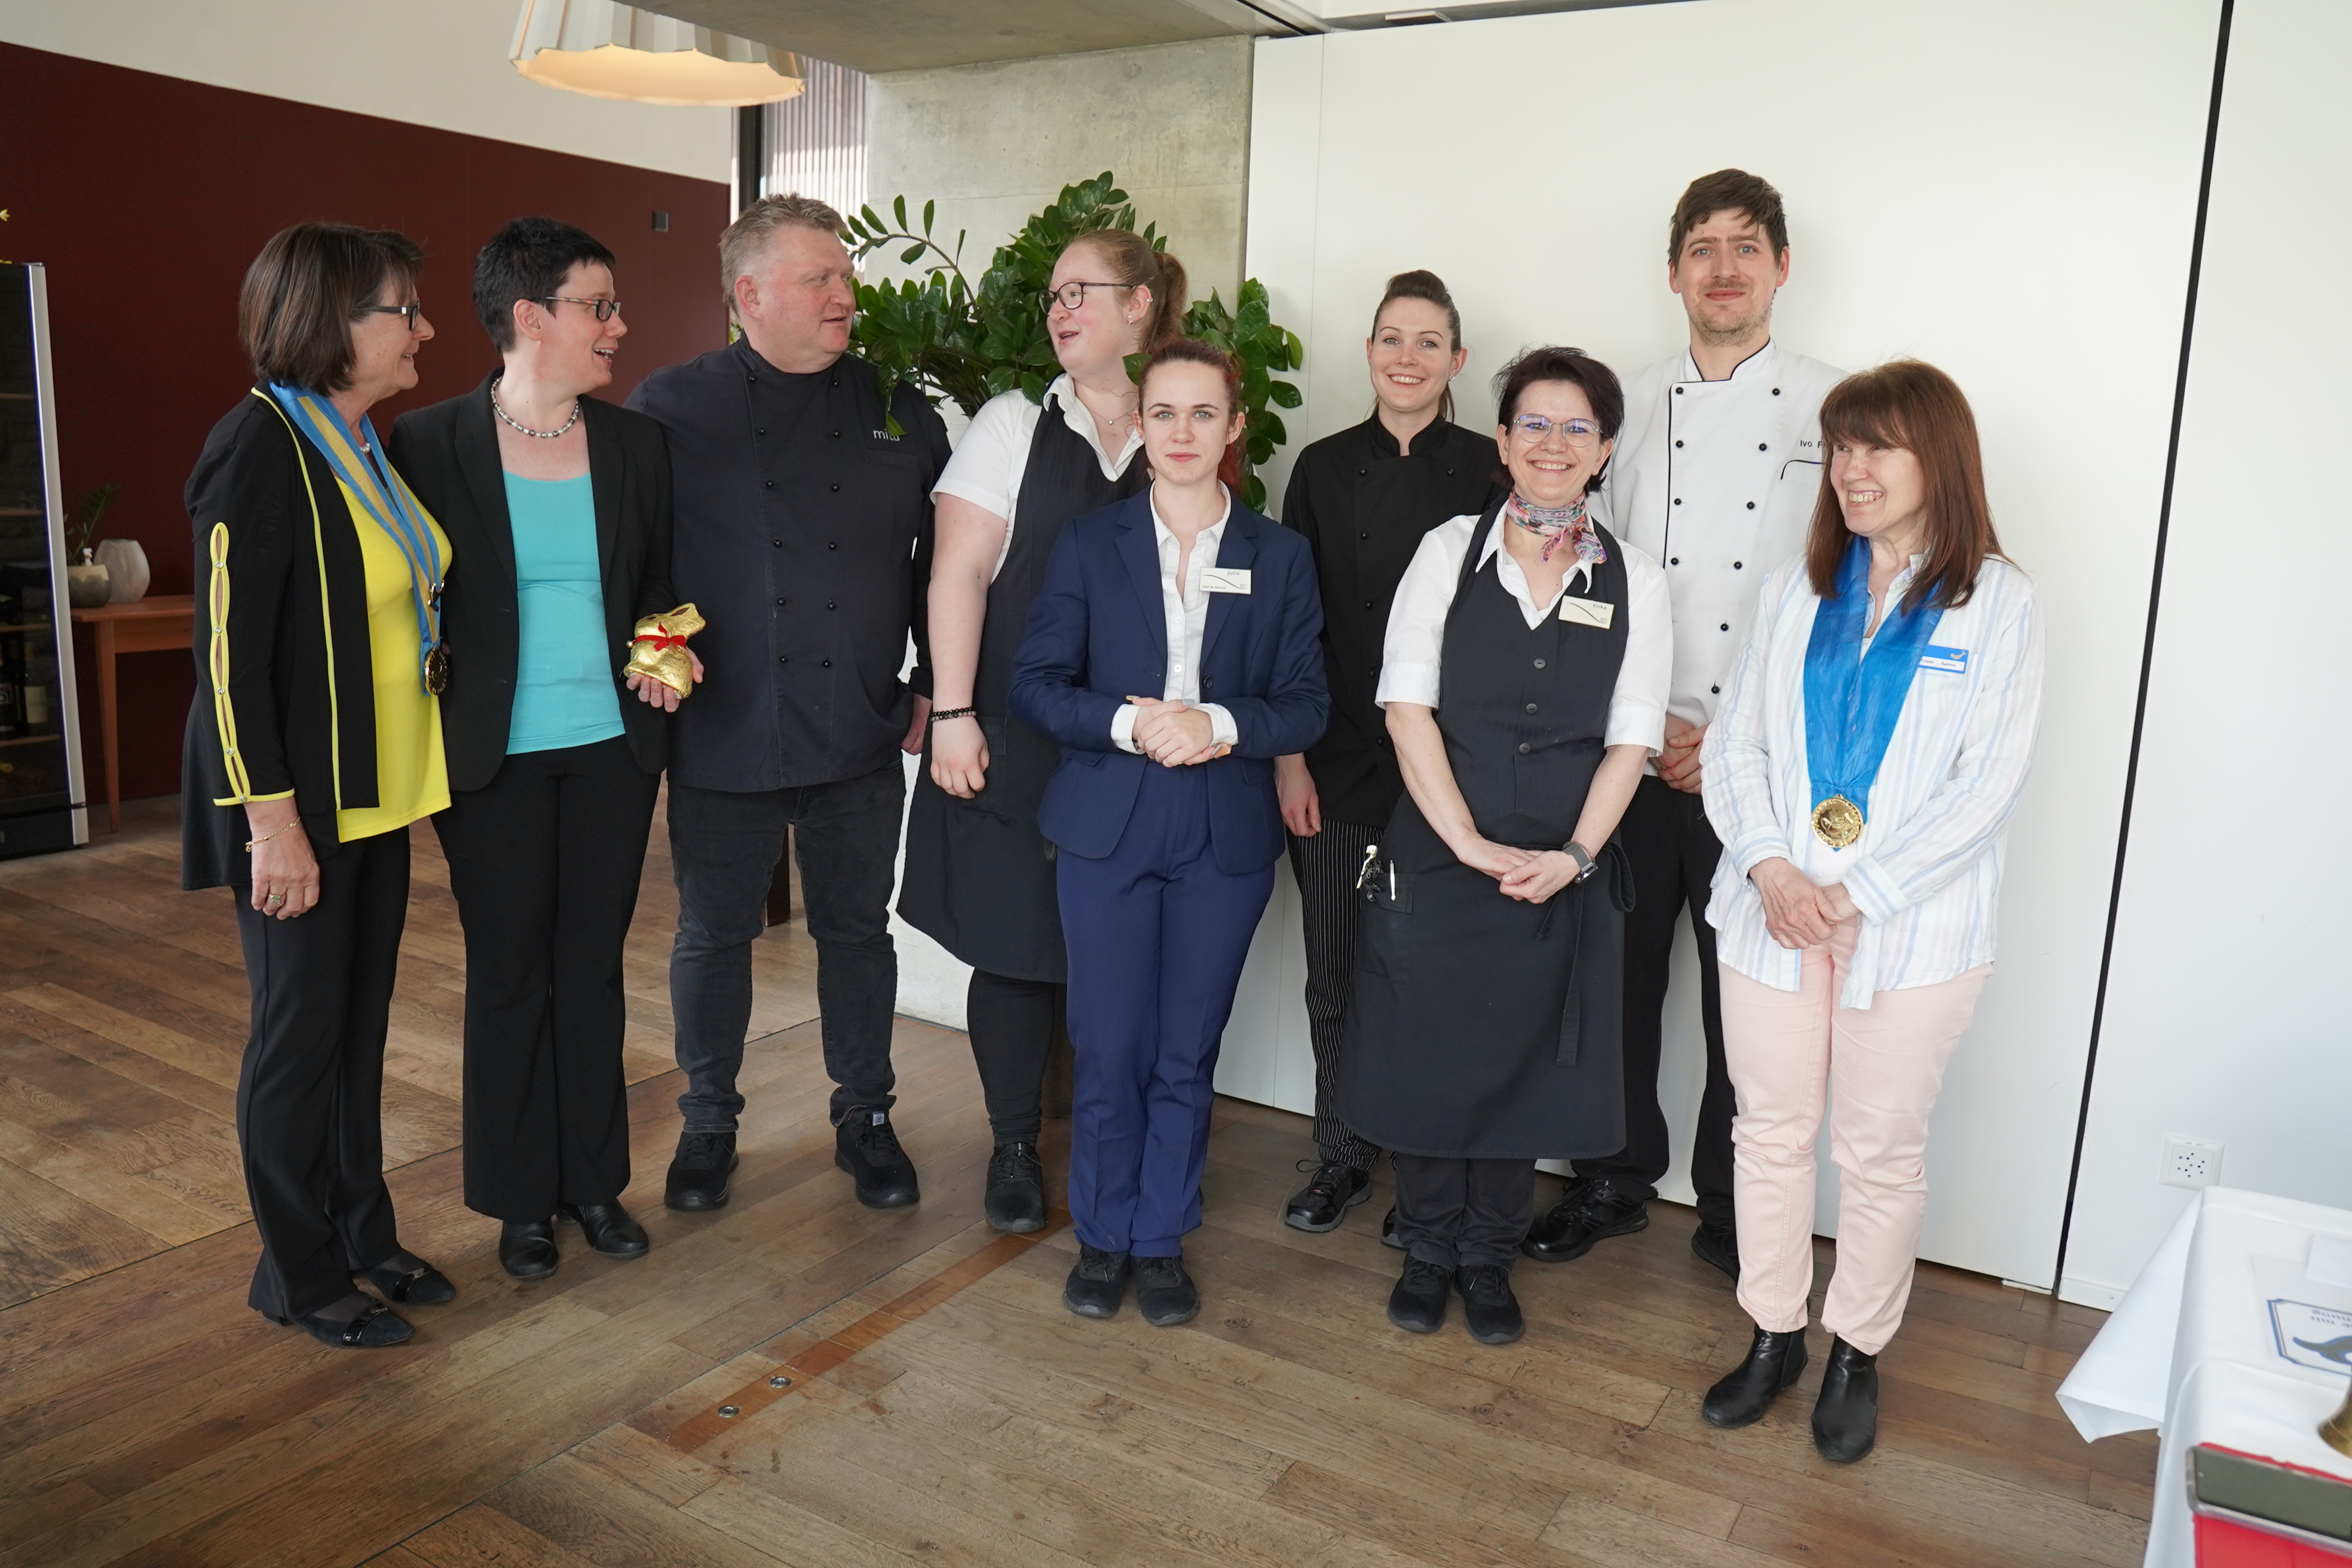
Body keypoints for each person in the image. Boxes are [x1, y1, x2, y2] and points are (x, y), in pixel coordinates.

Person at [1695, 361, 2041, 1462]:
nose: (1850, 468)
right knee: (1768, 1133)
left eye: (1876, 446)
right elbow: (1736, 747)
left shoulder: (1999, 601)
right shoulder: (1798, 590)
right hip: (1773, 914)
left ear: (1939, 458)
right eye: (1841, 447)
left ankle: (1857, 1350)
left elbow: (1987, 788)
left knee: (1880, 1150)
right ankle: (1773, 1333)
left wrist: (1857, 894)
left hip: (1912, 931)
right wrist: (1771, 869)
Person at [1533, 169, 1845, 1282]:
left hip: (1756, 764)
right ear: (1673, 273)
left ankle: (1731, 1203)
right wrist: (1646, 722)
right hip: (1631, 749)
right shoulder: (1619, 405)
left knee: (1742, 1001)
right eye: (1702, 249)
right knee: (1612, 984)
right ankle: (1611, 1178)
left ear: (1781, 267)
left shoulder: (1835, 410)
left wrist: (1729, 737)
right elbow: (1587, 574)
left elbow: (1839, 603)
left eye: (1745, 247)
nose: (1723, 269)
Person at [1337, 347, 1670, 1347]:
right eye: (1534, 423)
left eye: (1577, 428)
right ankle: (1427, 1245)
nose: (1553, 444)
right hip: (1440, 856)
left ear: (1604, 450)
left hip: (1561, 868)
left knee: (1524, 1062)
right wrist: (1467, 844)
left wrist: (1575, 856)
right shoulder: (1447, 552)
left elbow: (1632, 741)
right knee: (1432, 1054)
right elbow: (1406, 709)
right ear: (1503, 440)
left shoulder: (1637, 580)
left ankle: (1487, 1257)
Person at [625, 195, 950, 1214]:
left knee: (857, 933)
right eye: (820, 279)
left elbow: (947, 564)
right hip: (725, 725)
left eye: (845, 276)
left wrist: (936, 684)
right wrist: (656, 646)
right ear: (749, 294)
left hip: (860, 723)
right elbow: (633, 552)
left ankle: (867, 1116)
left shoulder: (898, 407)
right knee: (712, 936)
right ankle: (708, 1122)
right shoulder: (670, 406)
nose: (844, 295)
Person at [1010, 339, 1327, 1328]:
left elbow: (1307, 705)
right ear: (1139, 425)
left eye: (1203, 414)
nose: (1182, 432)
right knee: (1108, 1045)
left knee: (1186, 1049)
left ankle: (1159, 1238)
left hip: (1223, 825)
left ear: (1235, 427)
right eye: (1163, 413)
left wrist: (1218, 723)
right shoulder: (1087, 544)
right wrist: (1128, 721)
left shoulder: (1280, 555)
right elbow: (1036, 686)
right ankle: (1102, 1234)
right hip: (1109, 817)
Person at [390, 217, 682, 1280]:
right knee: (510, 973)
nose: (618, 326)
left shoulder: (638, 445)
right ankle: (520, 1201)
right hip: (490, 759)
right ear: (530, 316)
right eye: (598, 306)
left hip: (612, 750)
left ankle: (595, 1185)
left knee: (590, 971)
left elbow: (664, 587)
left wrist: (663, 653)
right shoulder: (425, 444)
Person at [182, 222, 455, 1349]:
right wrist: (272, 825)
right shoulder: (258, 445)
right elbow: (228, 661)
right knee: (297, 1042)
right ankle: (295, 1273)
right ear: (329, 321)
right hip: (295, 808)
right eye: (403, 310)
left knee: (356, 1032)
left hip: (376, 790)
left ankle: (361, 1233)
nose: (424, 329)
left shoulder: (359, 443)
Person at [899, 230, 1183, 1233]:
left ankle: (1124, 1145)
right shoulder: (1014, 423)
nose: (1059, 311)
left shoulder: (1180, 423)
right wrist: (954, 711)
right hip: (1016, 735)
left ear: (1140, 304)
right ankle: (1014, 1145)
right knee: (1015, 945)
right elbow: (959, 573)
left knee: (1128, 956)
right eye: (1053, 297)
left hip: (1138, 747)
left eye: (1080, 292)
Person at [1273, 271, 1503, 1238]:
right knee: (1332, 973)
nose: (1407, 358)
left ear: (1458, 360)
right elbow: (1291, 627)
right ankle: (1340, 1154)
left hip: (1445, 775)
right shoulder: (1322, 468)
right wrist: (1288, 759)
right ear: (1369, 353)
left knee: (1424, 982)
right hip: (1332, 761)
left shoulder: (1492, 468)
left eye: (1428, 342)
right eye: (1392, 340)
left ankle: (1426, 1173)